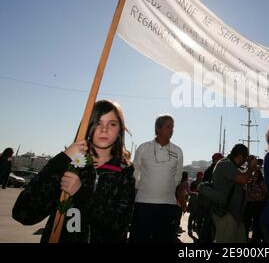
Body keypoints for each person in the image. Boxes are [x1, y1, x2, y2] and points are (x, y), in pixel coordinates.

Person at [12, 100, 136, 242]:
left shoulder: (124, 172)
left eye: (112, 124)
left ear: (120, 130)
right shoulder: (69, 165)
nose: (104, 129)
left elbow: (119, 226)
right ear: (87, 126)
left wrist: (81, 193)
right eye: (97, 122)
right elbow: (23, 214)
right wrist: (62, 159)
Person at [130, 114, 183, 243]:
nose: (171, 130)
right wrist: (143, 189)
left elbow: (178, 176)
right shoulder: (143, 148)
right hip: (143, 204)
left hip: (168, 205)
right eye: (168, 126)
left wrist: (167, 190)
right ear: (157, 128)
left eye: (173, 127)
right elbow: (135, 172)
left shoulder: (178, 151)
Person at [211, 144, 258, 243]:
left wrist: (251, 168)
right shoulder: (225, 164)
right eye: (245, 158)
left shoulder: (233, 166)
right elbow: (243, 179)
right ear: (240, 155)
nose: (246, 161)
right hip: (226, 214)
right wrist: (251, 167)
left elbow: (243, 177)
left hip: (235, 215)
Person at [244, 166, 267, 243]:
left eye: (256, 172)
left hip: (259, 205)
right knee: (247, 223)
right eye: (253, 172)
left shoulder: (262, 182)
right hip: (249, 204)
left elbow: (266, 192)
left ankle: (255, 240)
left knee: (257, 224)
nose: (254, 174)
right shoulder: (249, 182)